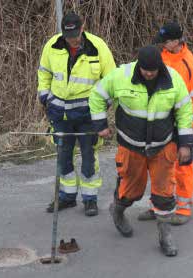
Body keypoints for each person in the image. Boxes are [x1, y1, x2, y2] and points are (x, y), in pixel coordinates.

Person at [89, 45, 193, 256]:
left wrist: (185, 144)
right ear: (139, 66)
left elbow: (184, 111)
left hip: (163, 146)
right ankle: (117, 210)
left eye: (152, 71)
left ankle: (165, 235)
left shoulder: (174, 80)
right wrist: (100, 124)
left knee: (164, 192)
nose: (148, 73)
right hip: (131, 145)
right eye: (145, 70)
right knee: (131, 190)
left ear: (159, 68)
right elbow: (97, 95)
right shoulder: (121, 75)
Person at [37, 12, 116, 216]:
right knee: (64, 155)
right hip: (60, 113)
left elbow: (111, 80)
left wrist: (101, 108)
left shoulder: (97, 47)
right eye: (67, 34)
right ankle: (67, 196)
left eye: (75, 34)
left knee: (89, 156)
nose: (71, 38)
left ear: (83, 27)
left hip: (87, 115)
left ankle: (90, 199)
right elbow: (44, 72)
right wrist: (45, 97)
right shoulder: (52, 45)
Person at [138, 22, 193, 225]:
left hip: (182, 124)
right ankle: (159, 206)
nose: (162, 45)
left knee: (182, 167)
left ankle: (183, 209)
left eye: (165, 42)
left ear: (176, 41)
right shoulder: (160, 58)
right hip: (160, 122)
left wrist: (190, 129)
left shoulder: (192, 64)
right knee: (158, 166)